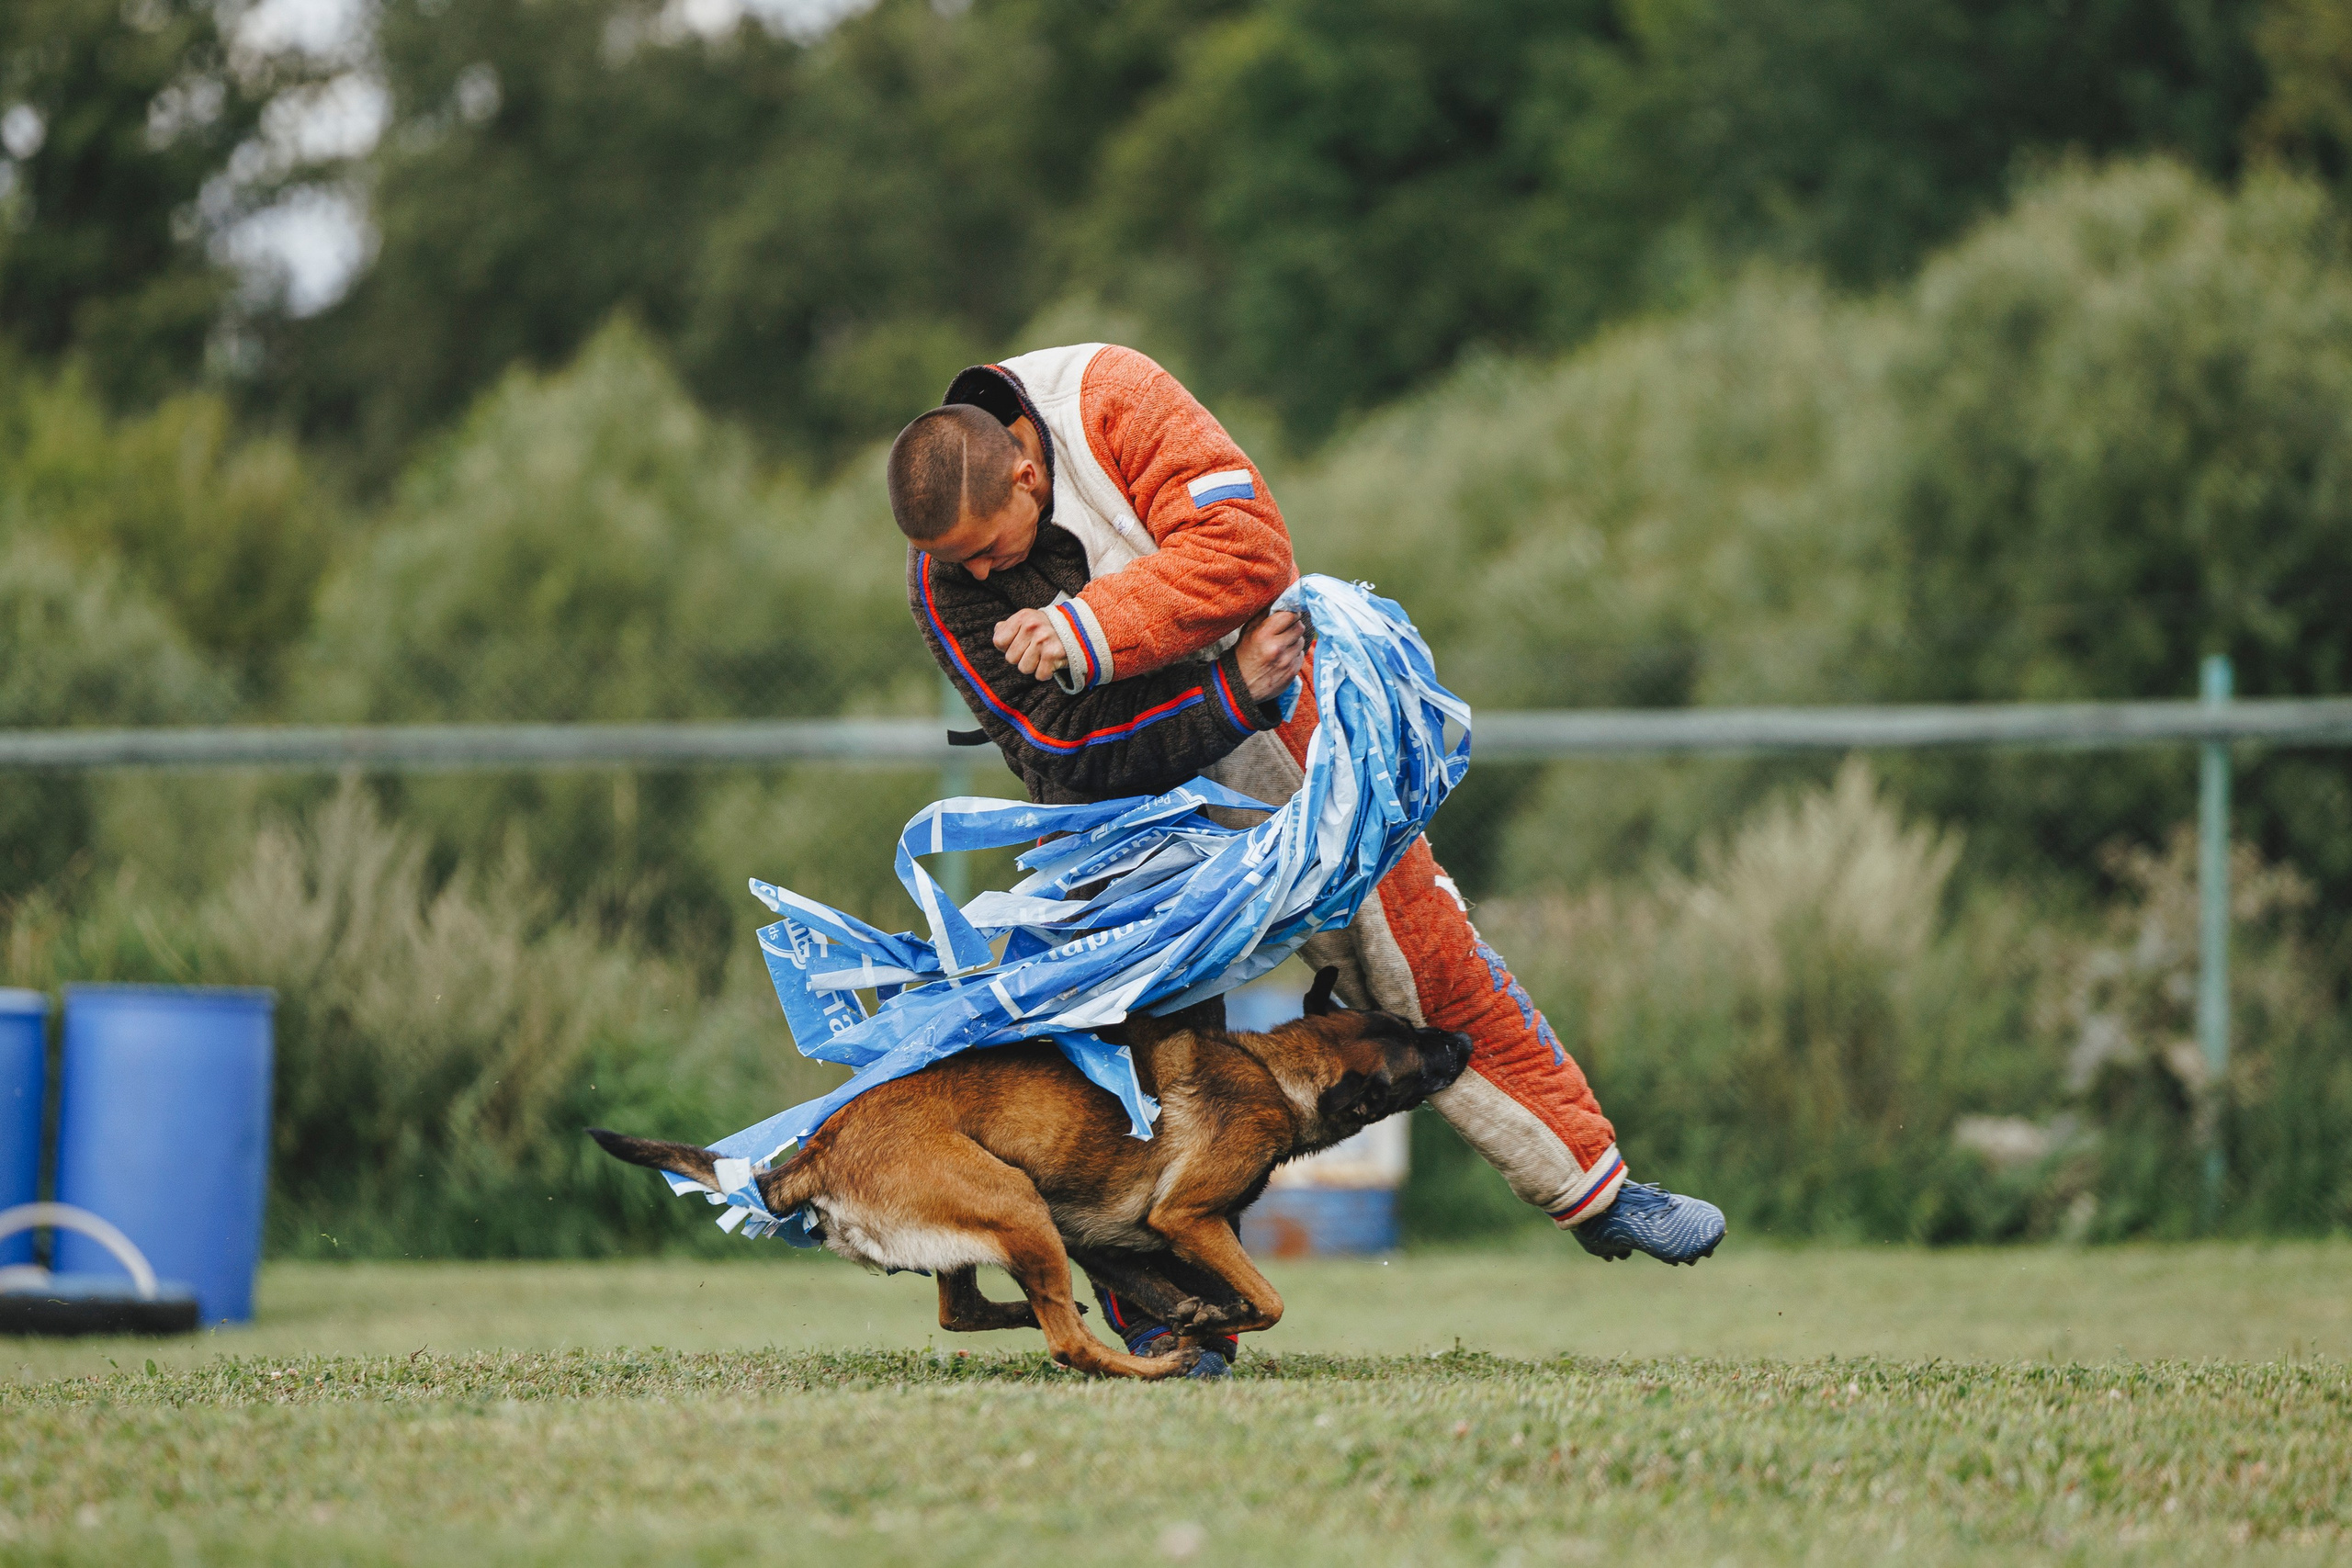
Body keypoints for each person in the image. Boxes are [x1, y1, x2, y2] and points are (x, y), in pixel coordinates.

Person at [888, 344, 1724, 1359]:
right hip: (1114, 805)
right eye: (961, 567)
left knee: (1422, 957)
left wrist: (1091, 629)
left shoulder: (1112, 396)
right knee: (1151, 1071)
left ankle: (1594, 1190)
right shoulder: (945, 582)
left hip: (1282, 745)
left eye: (986, 549)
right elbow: (1056, 748)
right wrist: (1219, 684)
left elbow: (1249, 553)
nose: (981, 577)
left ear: (1026, 470)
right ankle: (1178, 1328)